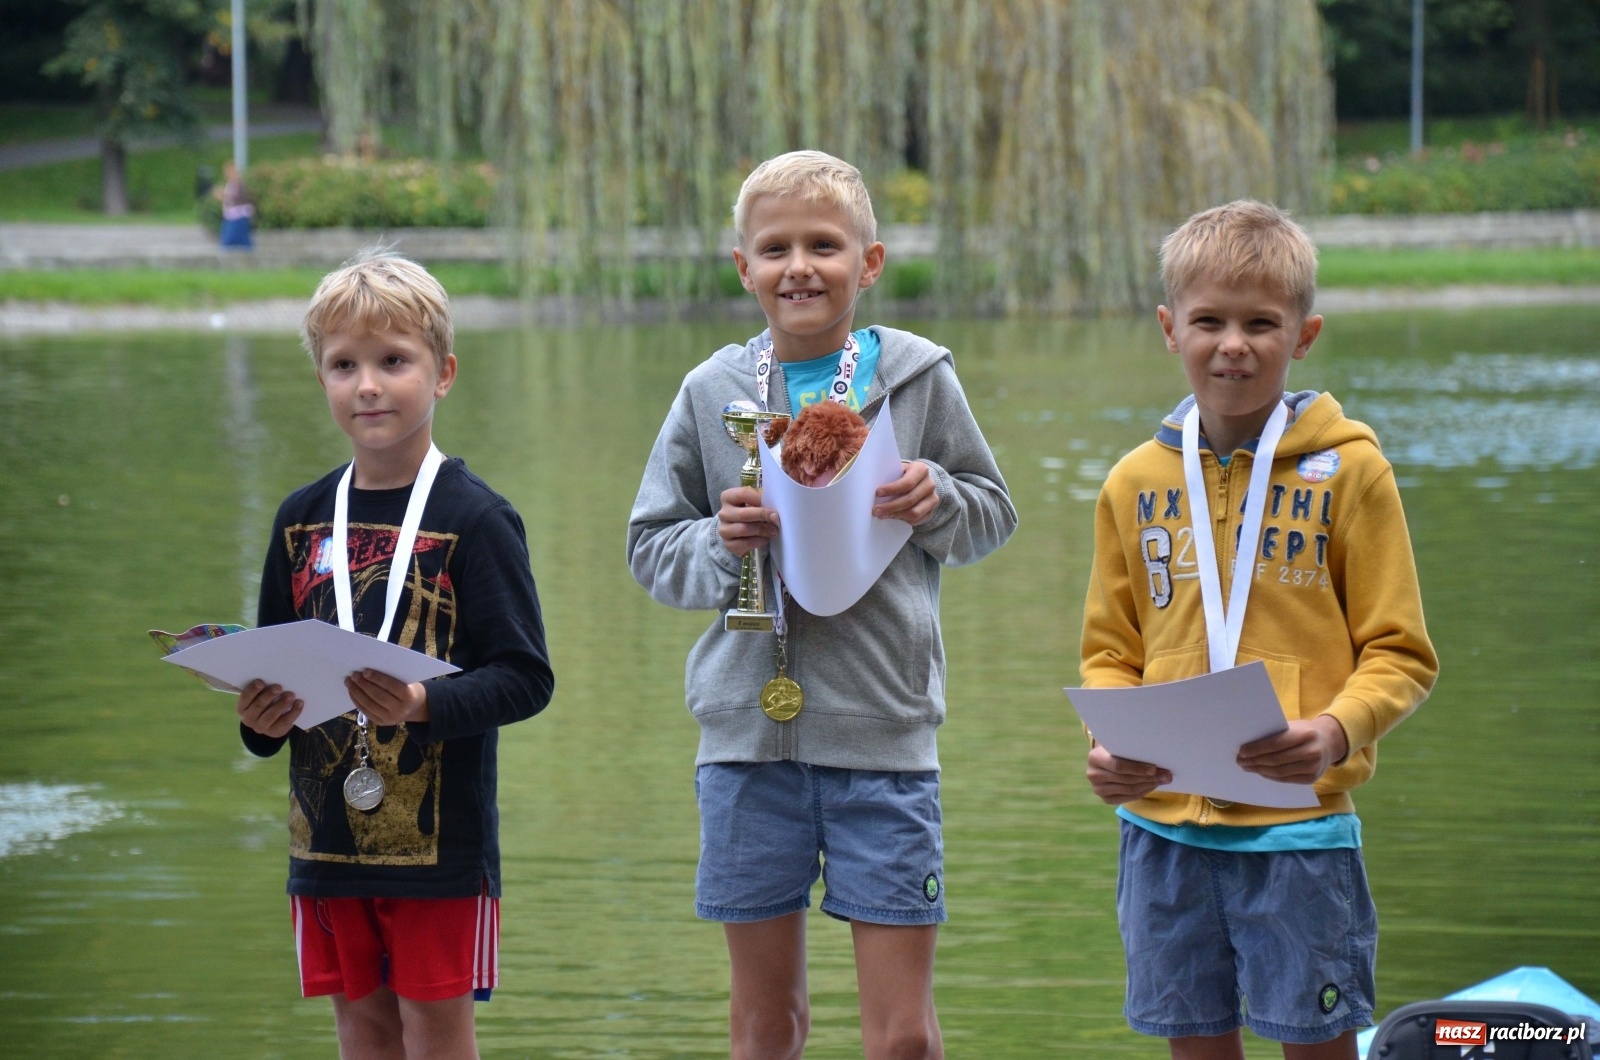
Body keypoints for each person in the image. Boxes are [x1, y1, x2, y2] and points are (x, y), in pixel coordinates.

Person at [627, 149, 1017, 1060]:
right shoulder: (709, 392)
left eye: (824, 245)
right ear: (744, 268)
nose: (798, 266)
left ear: (869, 263)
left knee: (905, 1038)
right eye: (775, 249)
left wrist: (939, 501)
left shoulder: (917, 381)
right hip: (744, 747)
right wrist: (716, 544)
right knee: (768, 1028)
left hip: (884, 737)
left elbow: (991, 516)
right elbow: (650, 550)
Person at [1079, 199, 1439, 1060]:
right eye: (1209, 321)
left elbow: (1400, 651)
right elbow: (1109, 649)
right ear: (1170, 328)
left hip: (1299, 830)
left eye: (1260, 324)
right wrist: (1110, 740)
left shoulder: (1352, 471)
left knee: (1315, 1043)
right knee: (1195, 1044)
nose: (1232, 344)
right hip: (1162, 829)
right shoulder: (1135, 481)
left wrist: (1333, 730)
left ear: (1303, 335)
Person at [233, 250, 555, 1059]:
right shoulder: (301, 518)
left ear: (442, 374)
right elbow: (269, 670)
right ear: (321, 380)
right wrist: (259, 721)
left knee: (435, 1037)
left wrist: (420, 705)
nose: (367, 384)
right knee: (363, 1038)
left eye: (392, 361)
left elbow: (525, 679)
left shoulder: (477, 518)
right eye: (344, 365)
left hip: (442, 854)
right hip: (326, 844)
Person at [216, 159, 254, 250]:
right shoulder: (230, 183)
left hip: (238, 216)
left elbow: (234, 197)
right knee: (238, 241)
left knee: (230, 242)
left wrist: (222, 195)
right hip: (231, 216)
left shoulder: (237, 183)